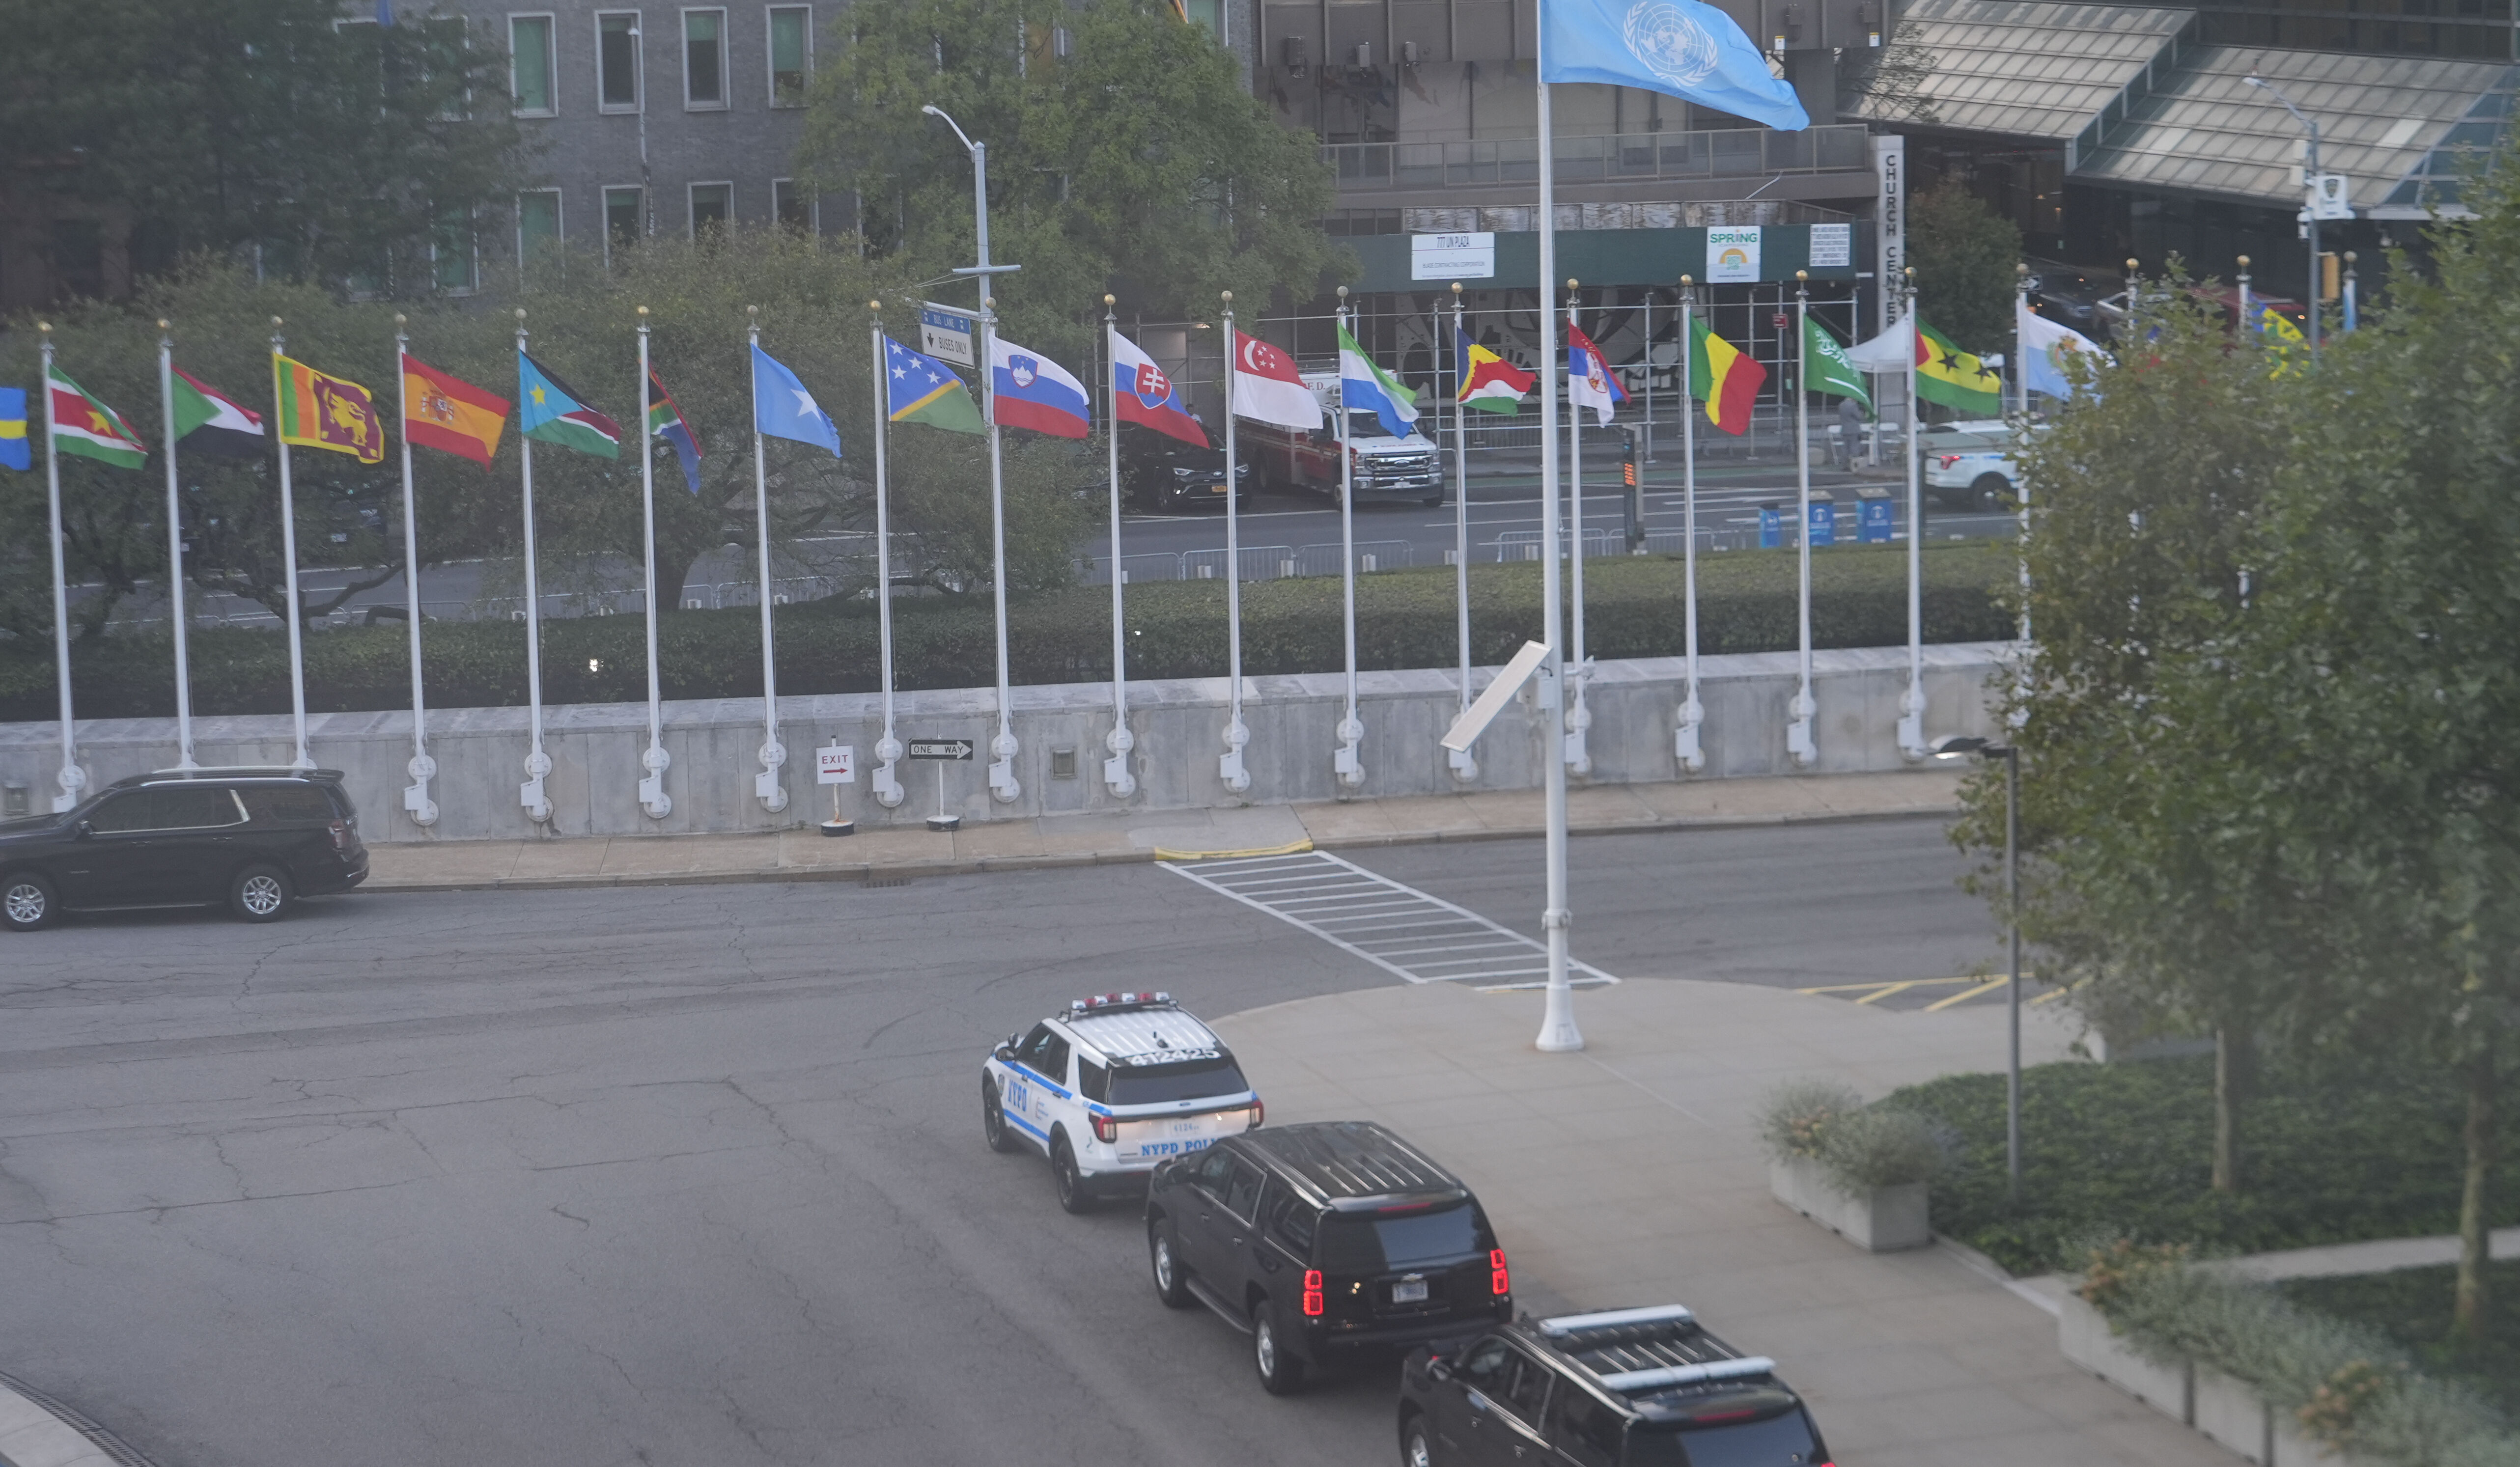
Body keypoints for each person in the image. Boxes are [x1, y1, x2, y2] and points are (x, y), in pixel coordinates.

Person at [1834, 394, 1865, 471]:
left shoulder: (1841, 405)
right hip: (1854, 429)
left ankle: (1844, 465)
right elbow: (1859, 417)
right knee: (1855, 447)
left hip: (1844, 429)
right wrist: (1862, 413)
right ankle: (1855, 466)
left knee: (1845, 448)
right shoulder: (1853, 405)